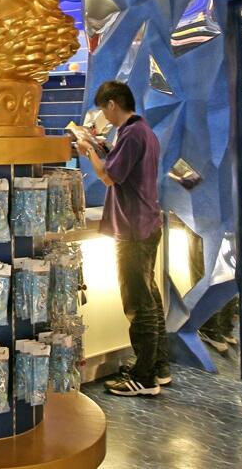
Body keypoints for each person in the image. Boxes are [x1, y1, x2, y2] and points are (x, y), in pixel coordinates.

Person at [77, 81, 170, 396]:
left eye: (103, 109)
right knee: (150, 297)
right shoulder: (142, 131)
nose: (104, 116)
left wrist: (89, 150)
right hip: (145, 224)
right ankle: (157, 367)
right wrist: (103, 148)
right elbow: (122, 169)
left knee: (138, 303)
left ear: (112, 104)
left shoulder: (131, 134)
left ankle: (144, 378)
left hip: (132, 229)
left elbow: (108, 176)